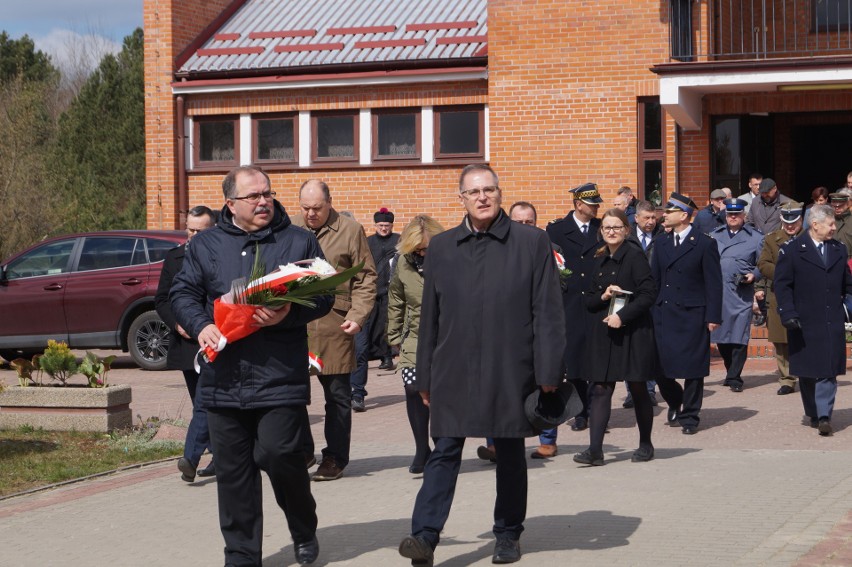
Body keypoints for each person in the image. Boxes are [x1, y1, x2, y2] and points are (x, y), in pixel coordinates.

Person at [398, 164, 566, 566]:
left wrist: (547, 373)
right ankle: (424, 535)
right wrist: (424, 375)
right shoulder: (441, 247)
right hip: (453, 367)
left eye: (489, 189)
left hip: (512, 367)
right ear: (462, 199)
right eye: (473, 192)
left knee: (509, 452)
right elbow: (429, 319)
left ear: (499, 193)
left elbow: (548, 312)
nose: (482, 197)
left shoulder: (531, 242)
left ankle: (508, 534)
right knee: (445, 451)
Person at [170, 165, 331, 566]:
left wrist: (287, 313)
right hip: (223, 380)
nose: (264, 201)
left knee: (280, 456)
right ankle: (242, 555)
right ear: (231, 204)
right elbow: (183, 292)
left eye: (268, 194)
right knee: (233, 474)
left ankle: (303, 526)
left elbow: (324, 295)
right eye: (253, 196)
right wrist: (201, 324)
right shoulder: (205, 244)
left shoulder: (298, 240)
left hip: (279, 377)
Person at [292, 179, 377, 481]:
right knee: (291, 394)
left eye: (316, 208)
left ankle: (335, 458)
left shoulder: (350, 230)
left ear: (330, 202)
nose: (310, 214)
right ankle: (302, 451)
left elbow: (366, 277)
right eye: (305, 208)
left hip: (335, 322)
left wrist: (358, 314)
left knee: (338, 396)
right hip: (294, 324)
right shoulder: (290, 228)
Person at [478, 201, 566, 461]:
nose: (525, 226)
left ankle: (547, 441)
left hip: (537, 331)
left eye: (529, 222)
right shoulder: (495, 249)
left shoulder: (551, 250)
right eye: (519, 222)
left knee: (545, 387)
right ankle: (495, 444)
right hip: (503, 333)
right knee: (497, 390)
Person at [573, 208, 658, 466]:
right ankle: (595, 451)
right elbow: (587, 301)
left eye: (617, 228)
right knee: (600, 389)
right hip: (605, 335)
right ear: (601, 231)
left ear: (626, 230)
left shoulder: (635, 257)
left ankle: (645, 444)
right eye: (607, 228)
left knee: (638, 387)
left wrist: (623, 315)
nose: (611, 232)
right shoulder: (598, 259)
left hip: (633, 332)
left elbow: (648, 294)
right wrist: (603, 297)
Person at [775, 204, 852, 436]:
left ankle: (824, 415)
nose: (833, 228)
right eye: (830, 224)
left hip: (831, 320)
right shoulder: (792, 250)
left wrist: (848, 307)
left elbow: (848, 285)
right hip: (803, 321)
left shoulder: (839, 249)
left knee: (828, 369)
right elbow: (782, 285)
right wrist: (787, 313)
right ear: (815, 224)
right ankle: (813, 411)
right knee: (807, 371)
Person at [651, 193, 723, 435]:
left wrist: (713, 316)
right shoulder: (660, 242)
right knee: (659, 368)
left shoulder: (704, 243)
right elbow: (656, 280)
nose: (664, 215)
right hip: (665, 312)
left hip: (693, 313)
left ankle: (690, 416)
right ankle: (675, 401)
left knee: (693, 369)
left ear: (683, 216)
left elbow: (714, 283)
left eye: (669, 212)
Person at [155, 205, 217, 483]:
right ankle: (220, 454)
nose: (193, 235)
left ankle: (190, 459)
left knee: (205, 400)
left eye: (200, 231)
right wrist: (179, 323)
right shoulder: (175, 258)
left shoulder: (220, 257)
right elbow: (163, 300)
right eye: (190, 230)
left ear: (212, 230)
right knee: (201, 402)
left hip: (214, 340)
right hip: (186, 341)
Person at [386, 215, 445, 474]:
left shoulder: (450, 260)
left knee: (440, 394)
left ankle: (442, 446)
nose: (423, 253)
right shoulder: (402, 263)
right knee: (412, 388)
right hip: (415, 336)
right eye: (418, 249)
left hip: (446, 336)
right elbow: (396, 297)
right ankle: (422, 449)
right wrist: (394, 336)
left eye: (427, 249)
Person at [546, 182, 603, 432]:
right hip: (569, 303)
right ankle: (581, 411)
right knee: (575, 360)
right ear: (579, 204)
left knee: (596, 358)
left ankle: (596, 407)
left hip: (595, 303)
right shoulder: (557, 230)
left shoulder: (602, 229)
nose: (596, 208)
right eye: (592, 204)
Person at [709, 198, 764, 392]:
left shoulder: (756, 238)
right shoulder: (714, 236)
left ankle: (734, 377)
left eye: (737, 214)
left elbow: (763, 263)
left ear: (744, 216)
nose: (733, 217)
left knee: (739, 336)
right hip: (719, 294)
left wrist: (754, 275)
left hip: (740, 294)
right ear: (726, 216)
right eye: (730, 214)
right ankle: (730, 370)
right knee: (722, 337)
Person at [350, 208, 399, 413]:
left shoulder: (399, 241)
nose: (384, 229)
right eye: (380, 226)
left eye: (387, 226)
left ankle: (386, 356)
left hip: (389, 294)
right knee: (360, 348)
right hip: (364, 299)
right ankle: (357, 393)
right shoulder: (367, 242)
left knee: (384, 330)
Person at [756, 201, 804, 395]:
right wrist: (784, 273)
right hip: (780, 293)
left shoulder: (810, 238)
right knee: (781, 338)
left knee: (806, 334)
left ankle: (807, 372)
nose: (790, 225)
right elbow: (763, 264)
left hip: (806, 294)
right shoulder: (771, 239)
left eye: (794, 221)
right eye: (787, 221)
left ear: (801, 219)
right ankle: (787, 379)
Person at [622, 199, 661, 408]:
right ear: (636, 218)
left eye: (654, 217)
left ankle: (649, 389)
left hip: (654, 298)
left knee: (650, 346)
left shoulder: (662, 236)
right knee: (631, 345)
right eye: (646, 217)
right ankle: (631, 392)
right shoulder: (627, 239)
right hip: (632, 298)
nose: (651, 222)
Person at [829, 190, 852, 258]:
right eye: (834, 206)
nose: (837, 208)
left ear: (847, 204)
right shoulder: (828, 220)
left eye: (840, 206)